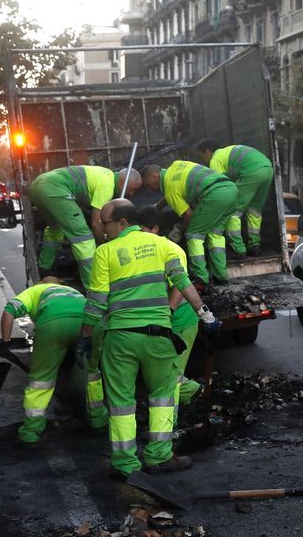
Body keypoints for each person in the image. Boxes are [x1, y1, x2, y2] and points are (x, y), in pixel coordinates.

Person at [79, 198, 220, 480]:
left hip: (120, 340)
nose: (101, 228)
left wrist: (84, 337)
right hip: (158, 338)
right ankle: (159, 457)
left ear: (122, 222)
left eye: (104, 223)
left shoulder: (104, 252)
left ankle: (124, 464)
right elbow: (184, 283)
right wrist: (207, 317)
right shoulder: (163, 245)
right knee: (163, 398)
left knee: (120, 403)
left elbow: (95, 302)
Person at [1, 277, 108, 446]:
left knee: (40, 380)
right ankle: (98, 420)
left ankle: (30, 432)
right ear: (62, 284)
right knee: (91, 374)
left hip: (53, 326)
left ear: (41, 283)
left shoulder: (35, 290)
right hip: (89, 325)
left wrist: (5, 342)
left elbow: (9, 311)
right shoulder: (74, 292)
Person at [134, 205, 203, 409]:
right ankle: (193, 394)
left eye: (141, 229)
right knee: (164, 375)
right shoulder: (145, 249)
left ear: (155, 229)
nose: (137, 234)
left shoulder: (172, 250)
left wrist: (167, 315)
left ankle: (183, 409)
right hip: (164, 321)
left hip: (180, 321)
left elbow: (180, 288)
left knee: (170, 377)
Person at [30, 166, 143, 288]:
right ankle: (93, 285)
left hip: (38, 186)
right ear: (122, 182)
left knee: (54, 229)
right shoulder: (107, 186)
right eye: (132, 189)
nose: (132, 194)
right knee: (83, 238)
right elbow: (95, 222)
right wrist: (103, 243)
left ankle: (44, 268)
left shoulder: (105, 174)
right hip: (56, 190)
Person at [141, 161, 238, 287]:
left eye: (148, 185)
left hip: (213, 195)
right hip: (231, 189)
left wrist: (177, 232)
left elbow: (188, 215)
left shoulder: (170, 189)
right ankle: (221, 277)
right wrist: (158, 207)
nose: (149, 190)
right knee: (216, 235)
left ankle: (201, 278)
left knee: (194, 235)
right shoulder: (176, 166)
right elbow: (174, 190)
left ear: (154, 176)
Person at [197, 139, 274, 259]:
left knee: (233, 211)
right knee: (255, 211)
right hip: (268, 168)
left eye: (201, 157)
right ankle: (254, 245)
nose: (203, 161)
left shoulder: (215, 159)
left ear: (207, 152)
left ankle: (239, 249)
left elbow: (222, 187)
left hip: (252, 171)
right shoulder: (226, 153)